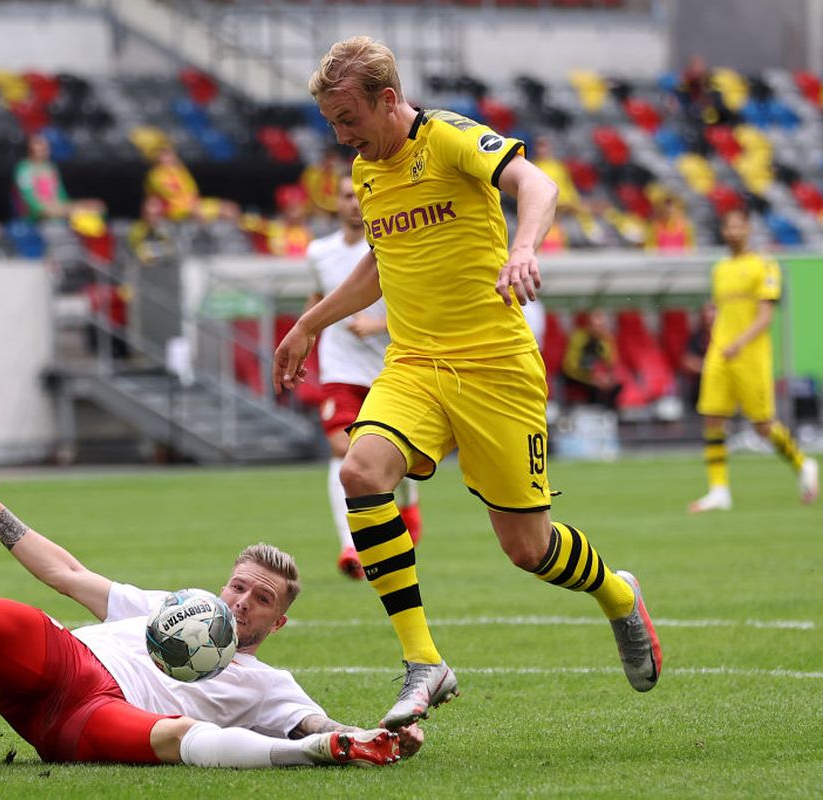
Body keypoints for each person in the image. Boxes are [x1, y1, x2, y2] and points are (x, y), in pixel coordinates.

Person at [272, 36, 662, 731]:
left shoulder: (448, 136)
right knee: (361, 472)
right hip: (415, 364)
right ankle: (424, 661)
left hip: (494, 367)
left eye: (348, 117)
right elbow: (378, 262)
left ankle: (617, 595)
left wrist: (522, 247)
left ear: (389, 100)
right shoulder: (367, 171)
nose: (340, 136)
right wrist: (311, 322)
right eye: (331, 122)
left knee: (528, 549)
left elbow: (539, 185)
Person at [0, 455, 413, 772]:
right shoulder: (177, 608)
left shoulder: (267, 683)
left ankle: (327, 757)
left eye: (261, 600)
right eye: (238, 587)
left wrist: (368, 731)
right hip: (64, 662)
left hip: (97, 720)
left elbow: (309, 717)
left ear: (278, 625)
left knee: (176, 739)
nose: (241, 602)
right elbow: (67, 574)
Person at [305, 174, 421, 579]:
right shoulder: (319, 252)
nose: (353, 204)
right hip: (340, 368)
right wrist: (304, 336)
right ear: (334, 203)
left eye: (358, 196)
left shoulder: (397, 241)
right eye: (344, 197)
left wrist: (378, 325)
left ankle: (407, 500)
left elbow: (419, 304)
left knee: (391, 457)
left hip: (392, 367)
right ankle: (351, 546)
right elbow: (318, 299)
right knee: (343, 450)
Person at [688, 208, 818, 512]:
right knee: (712, 417)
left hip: (751, 355)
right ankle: (719, 491)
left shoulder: (764, 266)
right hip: (721, 353)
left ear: (748, 229)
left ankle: (803, 464)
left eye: (738, 226)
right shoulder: (720, 269)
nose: (733, 231)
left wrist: (738, 343)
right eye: (728, 227)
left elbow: (765, 317)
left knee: (762, 425)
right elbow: (723, 312)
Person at [562, 308, 623, 409]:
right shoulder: (578, 338)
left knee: (616, 387)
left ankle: (610, 414)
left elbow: (611, 362)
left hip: (597, 375)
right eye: (594, 326)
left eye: (600, 326)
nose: (597, 329)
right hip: (578, 375)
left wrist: (607, 378)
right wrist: (590, 378)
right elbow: (570, 366)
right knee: (594, 389)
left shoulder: (606, 340)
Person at [680, 301, 714, 409]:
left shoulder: (727, 337)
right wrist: (710, 368)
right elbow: (687, 361)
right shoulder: (697, 337)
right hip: (700, 390)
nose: (709, 317)